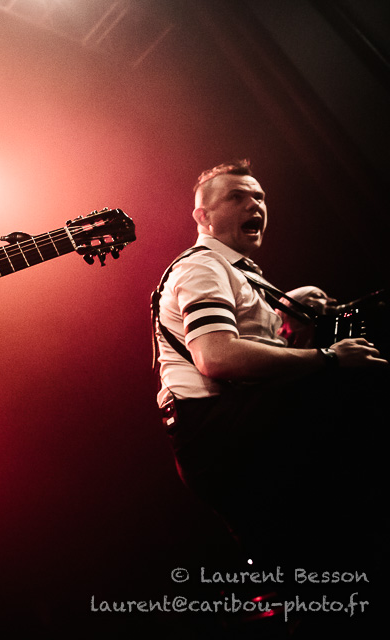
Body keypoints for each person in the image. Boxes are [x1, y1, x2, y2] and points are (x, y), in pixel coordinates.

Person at [152, 160, 387, 586]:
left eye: (259, 197)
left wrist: (288, 314)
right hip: (220, 434)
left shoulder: (236, 273)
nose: (254, 205)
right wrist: (328, 357)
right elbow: (217, 356)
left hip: (232, 431)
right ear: (203, 216)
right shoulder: (202, 266)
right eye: (236, 197)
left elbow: (247, 348)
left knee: (313, 559)